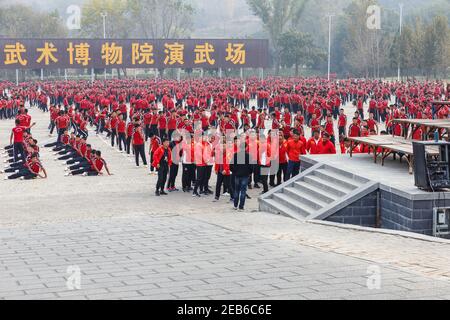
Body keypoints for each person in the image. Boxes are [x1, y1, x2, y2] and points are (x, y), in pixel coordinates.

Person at [230, 140, 252, 211]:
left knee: (236, 190)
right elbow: (252, 167)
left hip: (237, 175)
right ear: (246, 148)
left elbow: (231, 165)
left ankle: (235, 205)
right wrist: (249, 173)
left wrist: (235, 172)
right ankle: (241, 207)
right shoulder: (249, 156)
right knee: (243, 191)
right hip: (245, 176)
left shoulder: (236, 155)